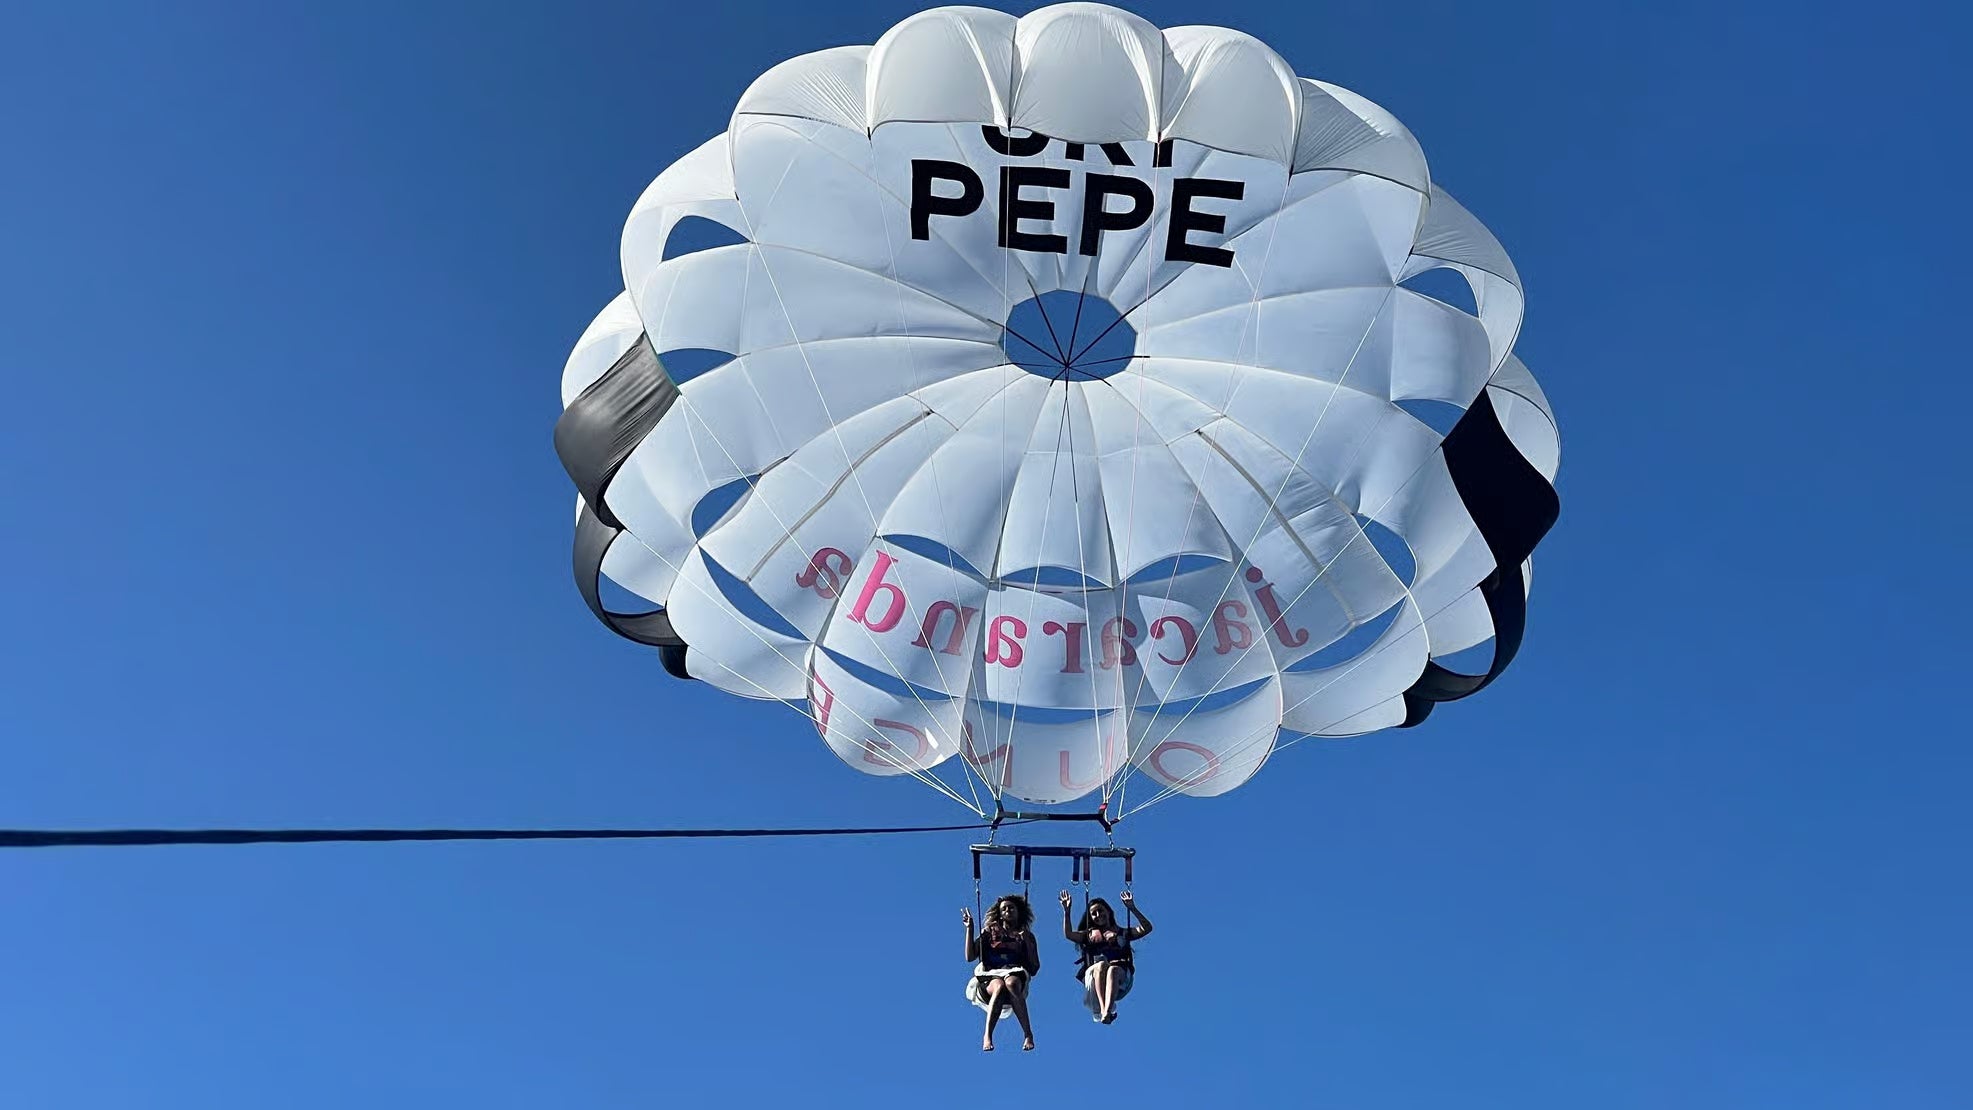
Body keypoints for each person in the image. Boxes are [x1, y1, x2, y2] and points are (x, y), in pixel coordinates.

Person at [1060, 888, 1152, 1024]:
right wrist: (1067, 912)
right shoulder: (1089, 935)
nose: (1098, 915)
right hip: (1095, 978)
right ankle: (1105, 1011)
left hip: (1121, 980)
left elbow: (1146, 928)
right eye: (1094, 914)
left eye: (1100, 911)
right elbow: (1069, 934)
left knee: (1113, 969)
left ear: (1108, 912)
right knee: (1101, 965)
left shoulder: (1122, 933)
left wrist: (1132, 908)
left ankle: (1107, 1010)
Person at [964, 894, 1040, 1051]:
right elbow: (970, 956)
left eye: (1011, 908)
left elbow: (1034, 967)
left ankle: (1028, 1034)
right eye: (1004, 908)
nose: (1008, 910)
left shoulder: (1026, 935)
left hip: (1015, 973)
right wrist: (970, 929)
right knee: (999, 986)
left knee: (1011, 983)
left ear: (1019, 912)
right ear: (999, 913)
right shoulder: (989, 932)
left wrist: (1027, 942)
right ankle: (987, 1036)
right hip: (991, 975)